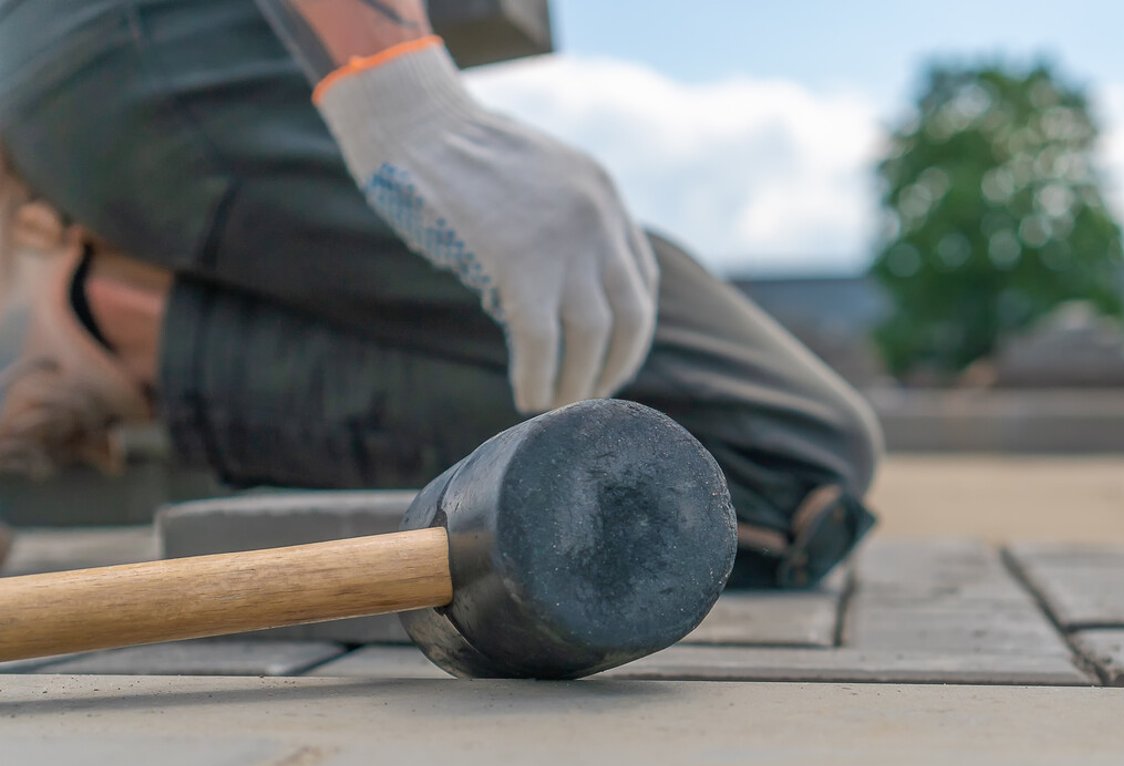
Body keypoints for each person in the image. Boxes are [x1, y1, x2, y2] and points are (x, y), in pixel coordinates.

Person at [0, 0, 882, 588]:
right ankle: (110, 319)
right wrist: (396, 89)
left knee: (707, 416)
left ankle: (130, 316)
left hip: (130, 71)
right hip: (162, 60)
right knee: (778, 458)